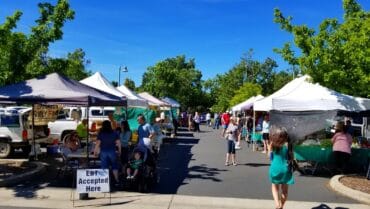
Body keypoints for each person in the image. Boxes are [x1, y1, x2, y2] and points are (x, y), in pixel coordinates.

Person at [268, 126, 294, 209]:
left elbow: (270, 157)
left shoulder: (273, 144)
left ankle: (277, 204)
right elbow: (292, 157)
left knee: (275, 187)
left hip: (275, 168)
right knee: (285, 191)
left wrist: (269, 149)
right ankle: (282, 206)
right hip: (285, 169)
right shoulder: (288, 145)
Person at [93, 120, 121, 186]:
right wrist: (120, 151)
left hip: (103, 152)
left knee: (104, 167)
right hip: (112, 151)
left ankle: (104, 182)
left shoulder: (101, 133)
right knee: (114, 166)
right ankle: (117, 180)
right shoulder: (115, 133)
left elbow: (98, 144)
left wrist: (95, 151)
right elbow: (119, 143)